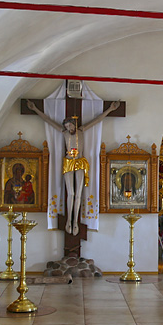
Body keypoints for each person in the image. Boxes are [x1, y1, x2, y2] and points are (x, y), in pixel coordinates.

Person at [27, 99, 119, 234]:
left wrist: (110, 109)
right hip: (69, 162)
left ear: (74, 125)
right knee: (71, 193)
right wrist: (35, 109)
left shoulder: (81, 131)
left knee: (79, 194)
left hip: (80, 162)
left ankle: (75, 221)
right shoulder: (64, 133)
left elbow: (97, 120)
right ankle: (68, 220)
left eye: (70, 126)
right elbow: (48, 120)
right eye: (67, 126)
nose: (69, 128)